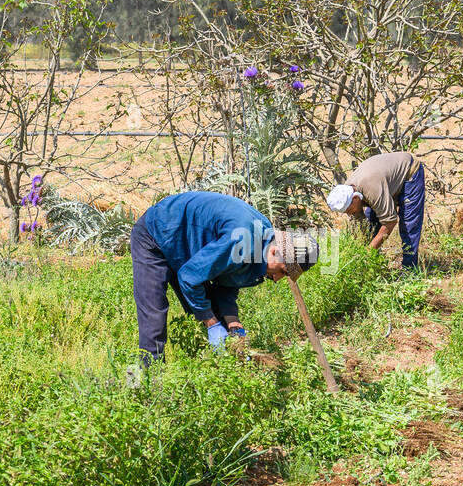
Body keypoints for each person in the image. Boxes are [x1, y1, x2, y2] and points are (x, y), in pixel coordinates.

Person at [130, 191, 318, 362]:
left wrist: (233, 322)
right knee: (153, 321)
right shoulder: (243, 240)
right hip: (156, 234)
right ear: (276, 251)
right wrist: (212, 324)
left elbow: (227, 280)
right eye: (283, 271)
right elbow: (189, 277)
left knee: (212, 315)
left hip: (184, 248)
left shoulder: (262, 240)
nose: (276, 279)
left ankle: (208, 372)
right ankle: (141, 387)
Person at [326, 151, 425, 269]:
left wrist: (368, 252)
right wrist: (358, 249)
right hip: (384, 181)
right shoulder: (348, 189)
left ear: (356, 198)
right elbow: (361, 222)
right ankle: (374, 267)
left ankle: (410, 270)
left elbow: (390, 221)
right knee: (372, 227)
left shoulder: (371, 188)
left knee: (408, 226)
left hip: (409, 172)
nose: (349, 214)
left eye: (349, 210)